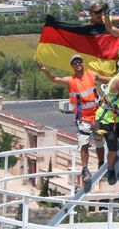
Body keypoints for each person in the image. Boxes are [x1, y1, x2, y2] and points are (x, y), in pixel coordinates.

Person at [37, 55, 110, 183]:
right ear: (72, 65)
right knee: (84, 144)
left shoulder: (91, 75)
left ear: (83, 63)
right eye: (75, 62)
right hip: (83, 119)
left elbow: (107, 80)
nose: (78, 64)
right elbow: (55, 79)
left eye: (79, 61)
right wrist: (45, 71)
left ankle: (101, 164)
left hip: (97, 116)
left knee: (99, 143)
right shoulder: (71, 80)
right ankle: (85, 170)